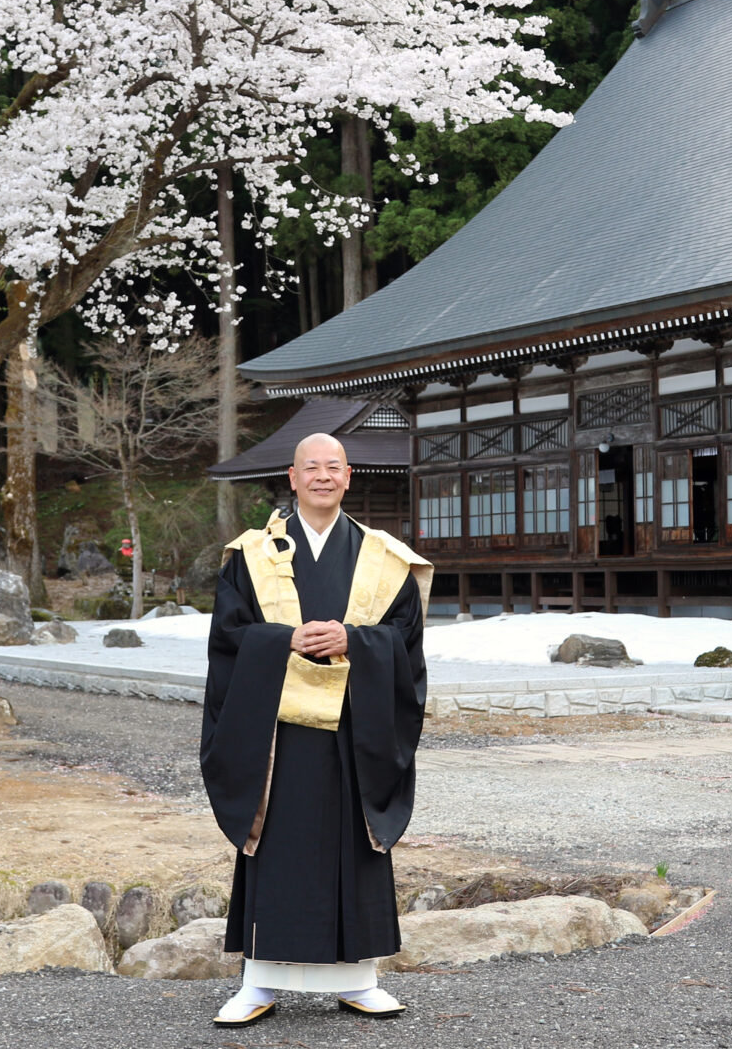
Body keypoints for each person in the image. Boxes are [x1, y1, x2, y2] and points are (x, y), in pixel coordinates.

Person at [200, 432, 430, 1026]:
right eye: (311, 467)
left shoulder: (383, 557)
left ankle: (359, 979)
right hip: (277, 733)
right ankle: (259, 981)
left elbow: (405, 639)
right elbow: (227, 635)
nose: (322, 476)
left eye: (333, 467)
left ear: (348, 477)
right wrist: (283, 640)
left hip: (355, 727)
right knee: (276, 841)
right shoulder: (253, 554)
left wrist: (354, 639)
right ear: (293, 478)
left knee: (355, 844)